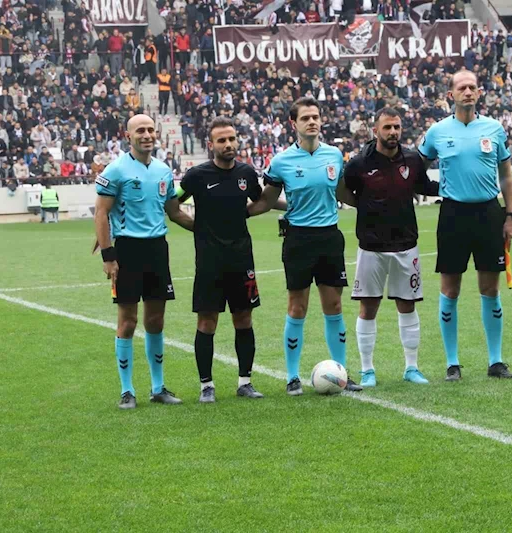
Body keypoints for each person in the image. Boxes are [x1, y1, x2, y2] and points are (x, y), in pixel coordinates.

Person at [248, 97, 362, 395]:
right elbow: (268, 201)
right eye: (306, 118)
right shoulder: (281, 161)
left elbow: (343, 193)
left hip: (329, 237)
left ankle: (341, 373)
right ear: (293, 124)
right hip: (299, 239)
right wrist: (239, 212)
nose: (312, 122)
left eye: (316, 117)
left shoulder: (335, 155)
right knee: (297, 307)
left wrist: (375, 205)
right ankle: (292, 376)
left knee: (334, 306)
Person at [418, 70, 512, 381]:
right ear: (451, 94)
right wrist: (437, 190)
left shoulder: (494, 129)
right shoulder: (437, 132)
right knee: (450, 289)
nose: (468, 92)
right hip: (452, 215)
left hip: (489, 213)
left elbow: (506, 176)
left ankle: (496, 361)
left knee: (490, 288)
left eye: (473, 87)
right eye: (462, 87)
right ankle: (452, 363)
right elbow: (416, 169)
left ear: (479, 92)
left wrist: (510, 215)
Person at [94, 114, 195, 410]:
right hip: (127, 251)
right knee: (127, 322)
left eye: (151, 130)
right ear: (128, 136)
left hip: (157, 250)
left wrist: (205, 229)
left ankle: (158, 387)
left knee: (155, 321)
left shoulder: (164, 171)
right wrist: (108, 255)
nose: (147, 134)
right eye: (141, 130)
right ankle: (127, 390)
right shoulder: (115, 170)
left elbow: (174, 212)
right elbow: (101, 213)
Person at [177, 117, 281, 403]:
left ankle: (245, 382)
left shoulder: (246, 173)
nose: (228, 144)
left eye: (232, 139)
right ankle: (206, 386)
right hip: (209, 261)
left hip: (241, 259)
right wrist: (194, 225)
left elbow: (262, 200)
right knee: (207, 321)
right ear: (211, 145)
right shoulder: (196, 176)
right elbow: (172, 203)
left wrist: (247, 213)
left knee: (244, 319)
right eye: (222, 140)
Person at [340, 107, 440, 387]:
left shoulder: (412, 158)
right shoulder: (359, 163)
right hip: (371, 246)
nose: (393, 132)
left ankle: (411, 367)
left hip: (407, 245)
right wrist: (364, 204)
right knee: (368, 306)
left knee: (407, 306)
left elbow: (425, 187)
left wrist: (456, 185)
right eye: (387, 128)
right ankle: (367, 370)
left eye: (397, 127)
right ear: (376, 130)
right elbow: (344, 189)